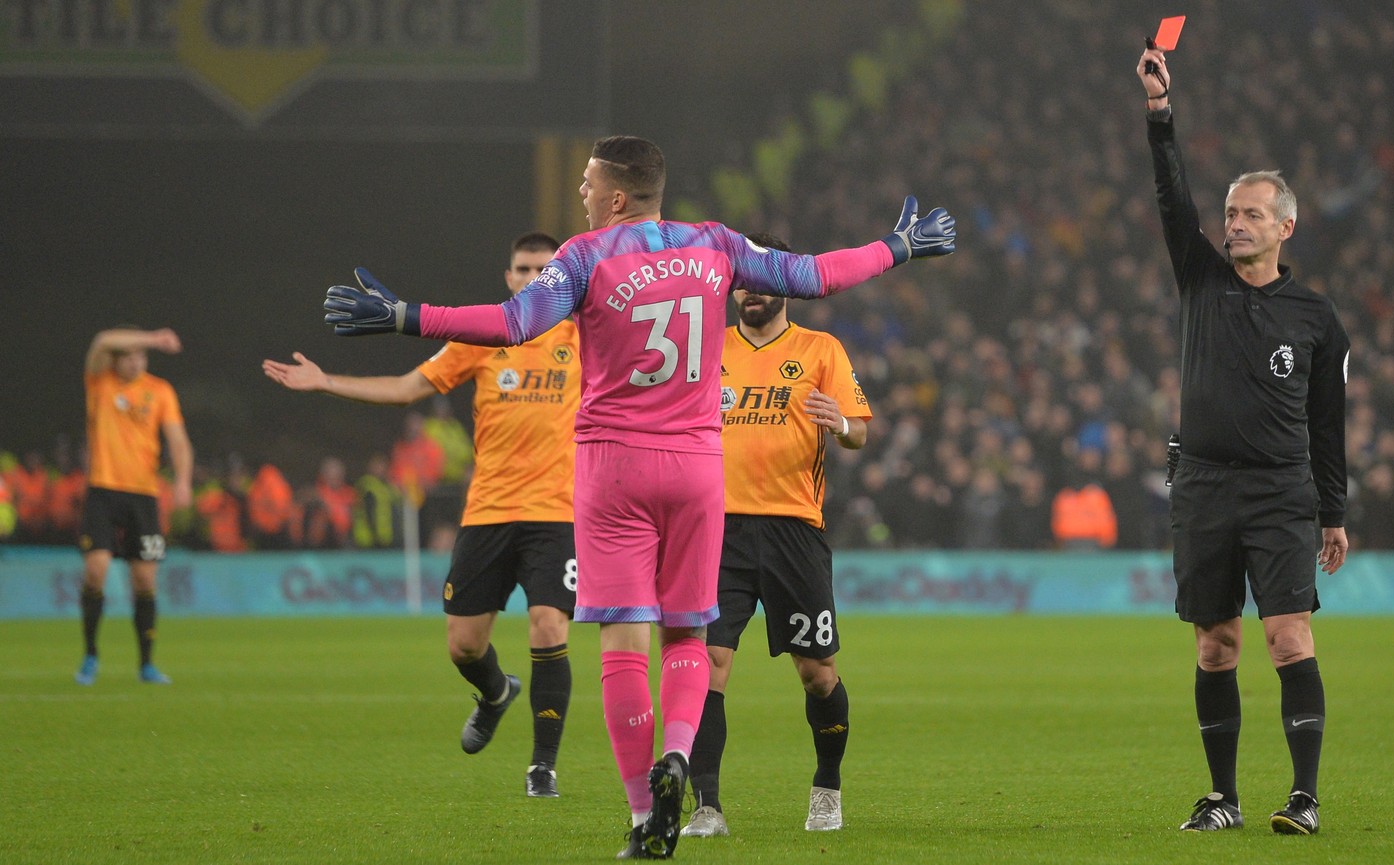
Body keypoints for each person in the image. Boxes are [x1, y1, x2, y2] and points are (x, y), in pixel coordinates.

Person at [319, 135, 955, 859]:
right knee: (688, 634)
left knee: (624, 646)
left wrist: (409, 314)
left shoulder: (587, 258)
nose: (582, 194)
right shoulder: (715, 243)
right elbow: (816, 274)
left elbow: (511, 324)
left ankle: (643, 817)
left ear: (617, 195)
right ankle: (679, 753)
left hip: (613, 468)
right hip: (696, 469)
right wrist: (898, 246)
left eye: (589, 183)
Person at [266, 232, 580, 797]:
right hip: (487, 512)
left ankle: (542, 767)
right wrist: (325, 382)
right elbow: (408, 386)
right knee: (463, 645)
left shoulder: (587, 339)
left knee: (549, 626)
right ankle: (495, 693)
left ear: (559, 280)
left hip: (558, 512)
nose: (532, 279)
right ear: (507, 278)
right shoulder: (485, 337)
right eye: (522, 269)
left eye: (544, 270)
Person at [1140, 47, 1351, 835]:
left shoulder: (1316, 318)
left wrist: (1333, 509)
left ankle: (1304, 797)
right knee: (1215, 644)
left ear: (1285, 226)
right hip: (1201, 485)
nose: (1234, 222)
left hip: (1281, 488)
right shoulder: (1200, 276)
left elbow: (1328, 422)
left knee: (1288, 634)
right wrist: (1161, 116)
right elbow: (1171, 201)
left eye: (1251, 213)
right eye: (1230, 212)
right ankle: (1221, 797)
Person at [676, 233, 870, 839]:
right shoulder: (707, 350)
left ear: (786, 284)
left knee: (817, 672)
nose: (751, 292)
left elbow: (859, 431)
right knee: (708, 663)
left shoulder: (819, 349)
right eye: (743, 282)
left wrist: (839, 421)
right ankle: (706, 807)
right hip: (718, 530)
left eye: (763, 281)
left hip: (794, 529)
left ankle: (827, 789)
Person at [76, 327, 194, 686]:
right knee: (96, 569)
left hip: (143, 496)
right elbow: (100, 341)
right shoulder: (100, 381)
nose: (136, 360)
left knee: (144, 579)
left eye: (141, 356)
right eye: (129, 354)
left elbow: (178, 439)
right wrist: (153, 338)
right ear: (117, 358)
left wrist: (183, 480)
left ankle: (146, 664)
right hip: (103, 490)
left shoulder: (160, 391)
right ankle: (91, 655)